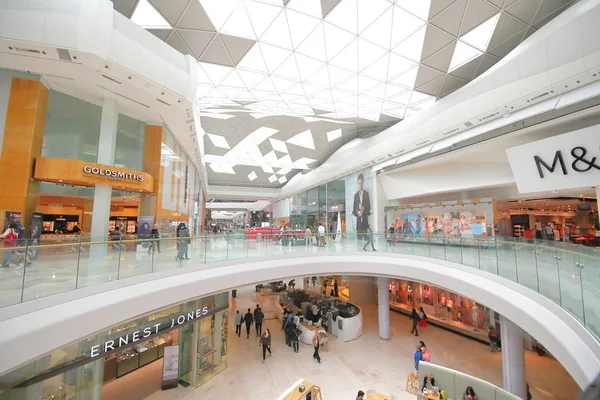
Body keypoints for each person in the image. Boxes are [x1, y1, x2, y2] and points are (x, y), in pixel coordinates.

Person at [352, 173, 371, 240]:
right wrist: (358, 212)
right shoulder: (355, 196)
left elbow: (369, 209)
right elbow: (353, 211)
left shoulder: (366, 194)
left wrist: (363, 209)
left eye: (361, 183)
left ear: (363, 182)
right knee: (359, 240)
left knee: (366, 239)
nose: (360, 185)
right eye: (358, 183)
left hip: (365, 222)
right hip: (359, 224)